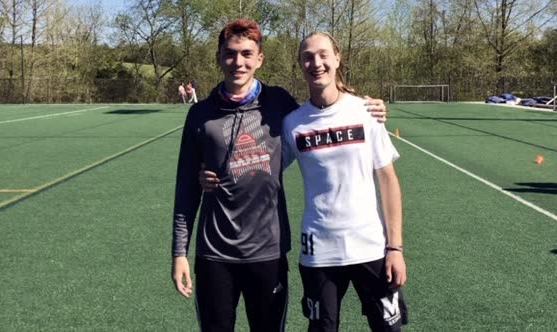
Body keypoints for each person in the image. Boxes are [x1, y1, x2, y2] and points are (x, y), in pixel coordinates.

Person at [172, 19, 388, 332]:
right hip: (214, 254)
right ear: (219, 57)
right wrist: (180, 252)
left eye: (247, 54)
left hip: (268, 252)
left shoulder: (278, 104)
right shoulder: (200, 114)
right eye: (231, 54)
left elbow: (320, 112)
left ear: (259, 59)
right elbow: (185, 188)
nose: (238, 62)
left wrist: (366, 105)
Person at [280, 32, 408, 332]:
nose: (316, 62)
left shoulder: (366, 112)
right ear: (301, 64)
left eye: (323, 54)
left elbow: (388, 180)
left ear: (337, 58)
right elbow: (264, 171)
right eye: (308, 57)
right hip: (318, 251)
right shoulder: (292, 123)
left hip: (371, 248)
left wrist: (395, 248)